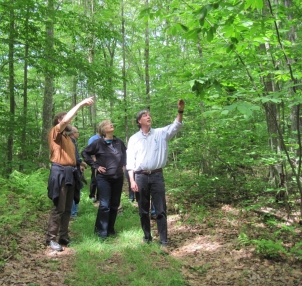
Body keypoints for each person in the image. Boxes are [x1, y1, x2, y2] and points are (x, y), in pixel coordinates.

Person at [126, 99, 185, 254]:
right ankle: (147, 237)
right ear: (139, 121)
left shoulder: (160, 133)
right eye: (145, 115)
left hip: (157, 176)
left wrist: (180, 111)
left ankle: (163, 241)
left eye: (149, 115)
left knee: (160, 209)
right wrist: (132, 181)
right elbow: (130, 162)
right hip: (140, 177)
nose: (148, 117)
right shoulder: (134, 139)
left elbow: (176, 126)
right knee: (143, 209)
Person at [46, 96, 94, 251]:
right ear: (60, 120)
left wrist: (79, 165)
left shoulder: (69, 139)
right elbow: (66, 121)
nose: (69, 122)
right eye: (66, 119)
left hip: (70, 173)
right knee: (58, 207)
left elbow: (72, 158)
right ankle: (51, 238)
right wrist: (80, 104)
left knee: (67, 208)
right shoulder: (56, 133)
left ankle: (64, 236)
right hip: (59, 172)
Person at [81, 120, 126, 239]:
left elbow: (125, 154)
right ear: (102, 129)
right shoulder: (98, 143)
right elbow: (85, 153)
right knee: (105, 205)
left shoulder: (119, 142)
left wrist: (124, 165)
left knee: (114, 204)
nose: (111, 125)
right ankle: (101, 232)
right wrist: (95, 165)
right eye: (107, 124)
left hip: (118, 178)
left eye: (111, 123)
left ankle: (110, 229)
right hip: (104, 179)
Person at [68, 126, 87, 217]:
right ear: (73, 133)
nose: (78, 134)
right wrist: (82, 163)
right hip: (73, 171)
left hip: (75, 169)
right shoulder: (71, 142)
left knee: (75, 190)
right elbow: (74, 158)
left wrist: (79, 166)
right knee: (75, 191)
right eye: (77, 132)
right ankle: (73, 213)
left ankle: (73, 212)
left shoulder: (72, 142)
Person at [87, 129, 101, 202]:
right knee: (94, 179)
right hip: (95, 163)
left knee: (101, 179)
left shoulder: (104, 138)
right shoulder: (93, 139)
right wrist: (94, 160)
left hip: (103, 163)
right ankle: (92, 195)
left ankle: (99, 196)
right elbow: (90, 151)